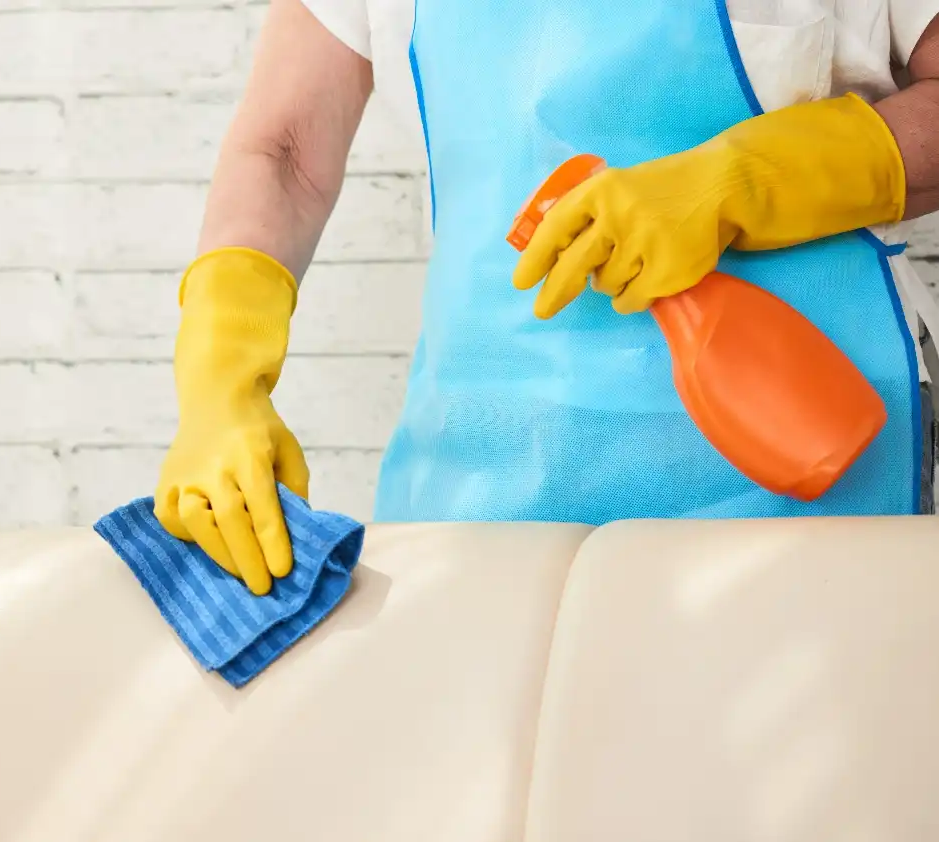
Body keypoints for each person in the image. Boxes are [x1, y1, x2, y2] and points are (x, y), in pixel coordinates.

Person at [154, 0, 939, 595]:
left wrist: (741, 182)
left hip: (798, 455)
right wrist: (220, 380)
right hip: (484, 466)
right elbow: (284, 149)